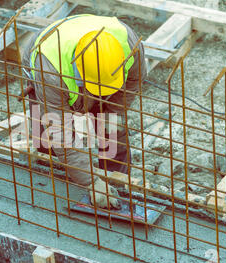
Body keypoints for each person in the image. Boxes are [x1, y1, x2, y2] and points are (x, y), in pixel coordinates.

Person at [22, 14, 147, 209]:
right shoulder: (50, 71)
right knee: (48, 135)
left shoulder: (130, 46)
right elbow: (60, 131)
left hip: (93, 64)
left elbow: (132, 83)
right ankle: (52, 178)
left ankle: (115, 182)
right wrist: (91, 181)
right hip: (45, 53)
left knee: (113, 127)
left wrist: (111, 113)